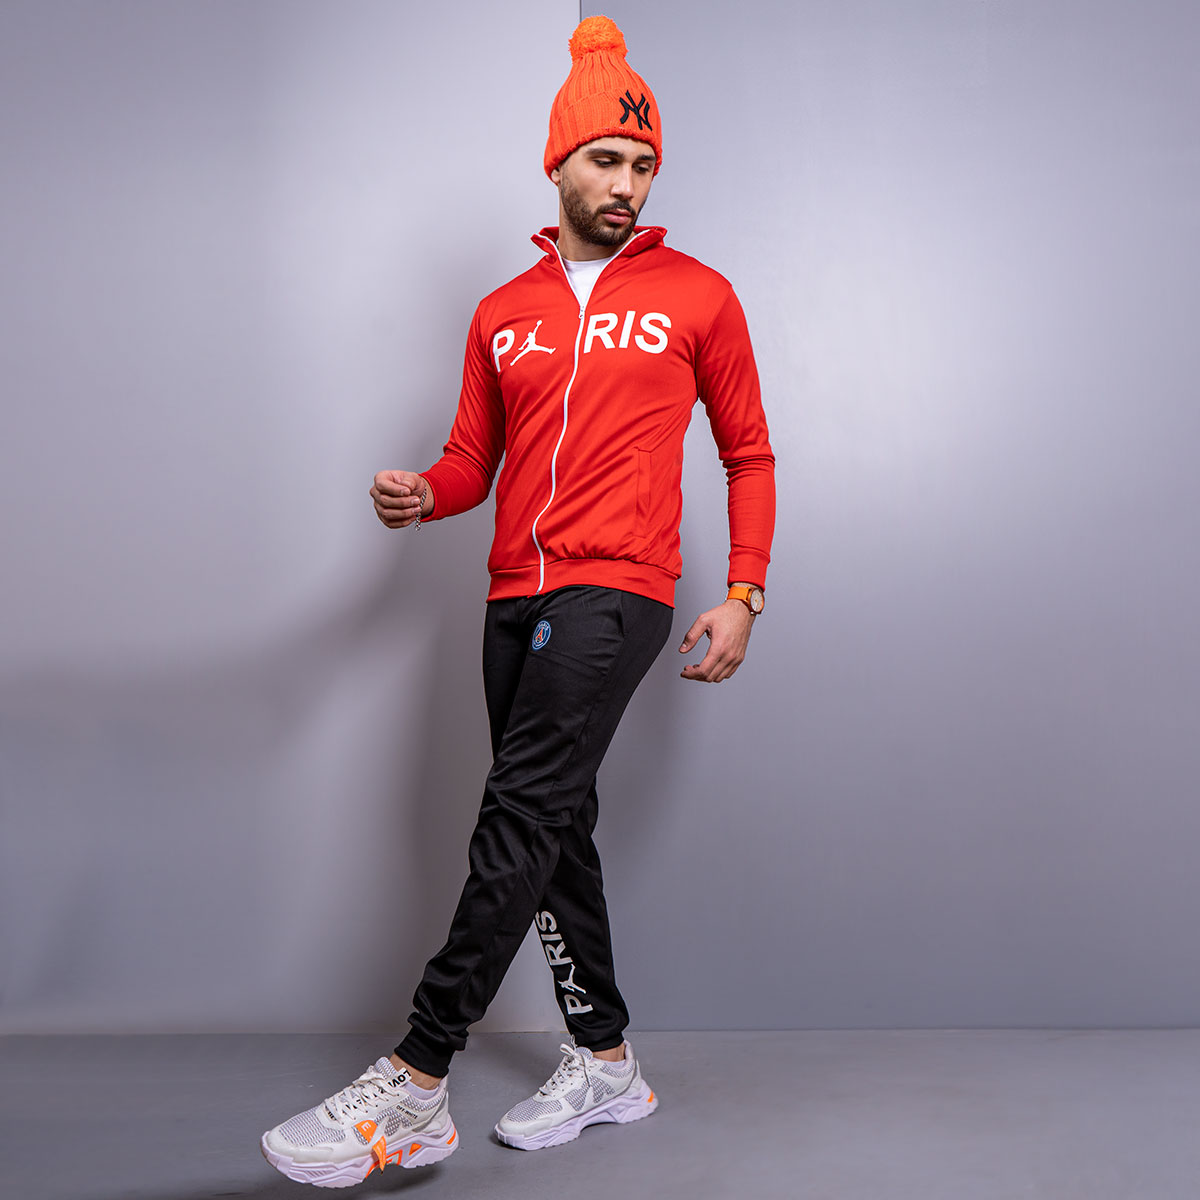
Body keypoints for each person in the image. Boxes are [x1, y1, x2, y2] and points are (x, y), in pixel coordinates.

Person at [261, 15, 774, 1186]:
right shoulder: (503, 311)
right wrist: (420, 495)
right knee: (555, 825)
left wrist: (744, 591)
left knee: (516, 815)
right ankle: (606, 1061)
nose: (627, 184)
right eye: (607, 159)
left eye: (644, 164)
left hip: (619, 587)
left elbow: (748, 453)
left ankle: (417, 1079)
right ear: (559, 162)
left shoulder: (698, 296)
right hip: (511, 594)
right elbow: (470, 463)